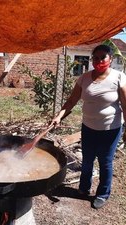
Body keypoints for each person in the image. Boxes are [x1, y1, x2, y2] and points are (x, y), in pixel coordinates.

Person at [51, 44, 126, 209]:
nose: (99, 61)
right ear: (92, 60)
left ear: (110, 59)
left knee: (105, 162)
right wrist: (59, 116)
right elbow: (71, 101)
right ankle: (84, 188)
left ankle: (102, 194)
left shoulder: (119, 77)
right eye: (96, 58)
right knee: (87, 160)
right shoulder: (84, 78)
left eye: (103, 57)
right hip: (88, 127)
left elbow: (125, 104)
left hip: (110, 129)